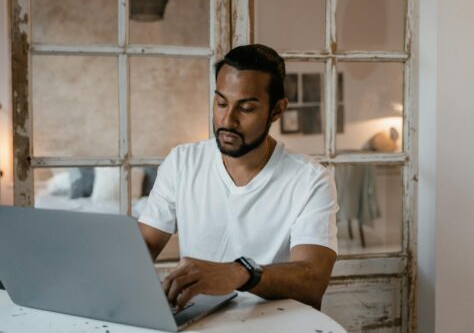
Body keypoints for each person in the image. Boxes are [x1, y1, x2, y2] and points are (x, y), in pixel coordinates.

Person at [138, 44, 338, 311]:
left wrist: (240, 273)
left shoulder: (311, 180)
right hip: (197, 320)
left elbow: (313, 281)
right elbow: (144, 246)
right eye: (221, 103)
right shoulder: (182, 162)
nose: (227, 120)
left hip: (275, 324)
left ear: (277, 110)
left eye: (245, 108)